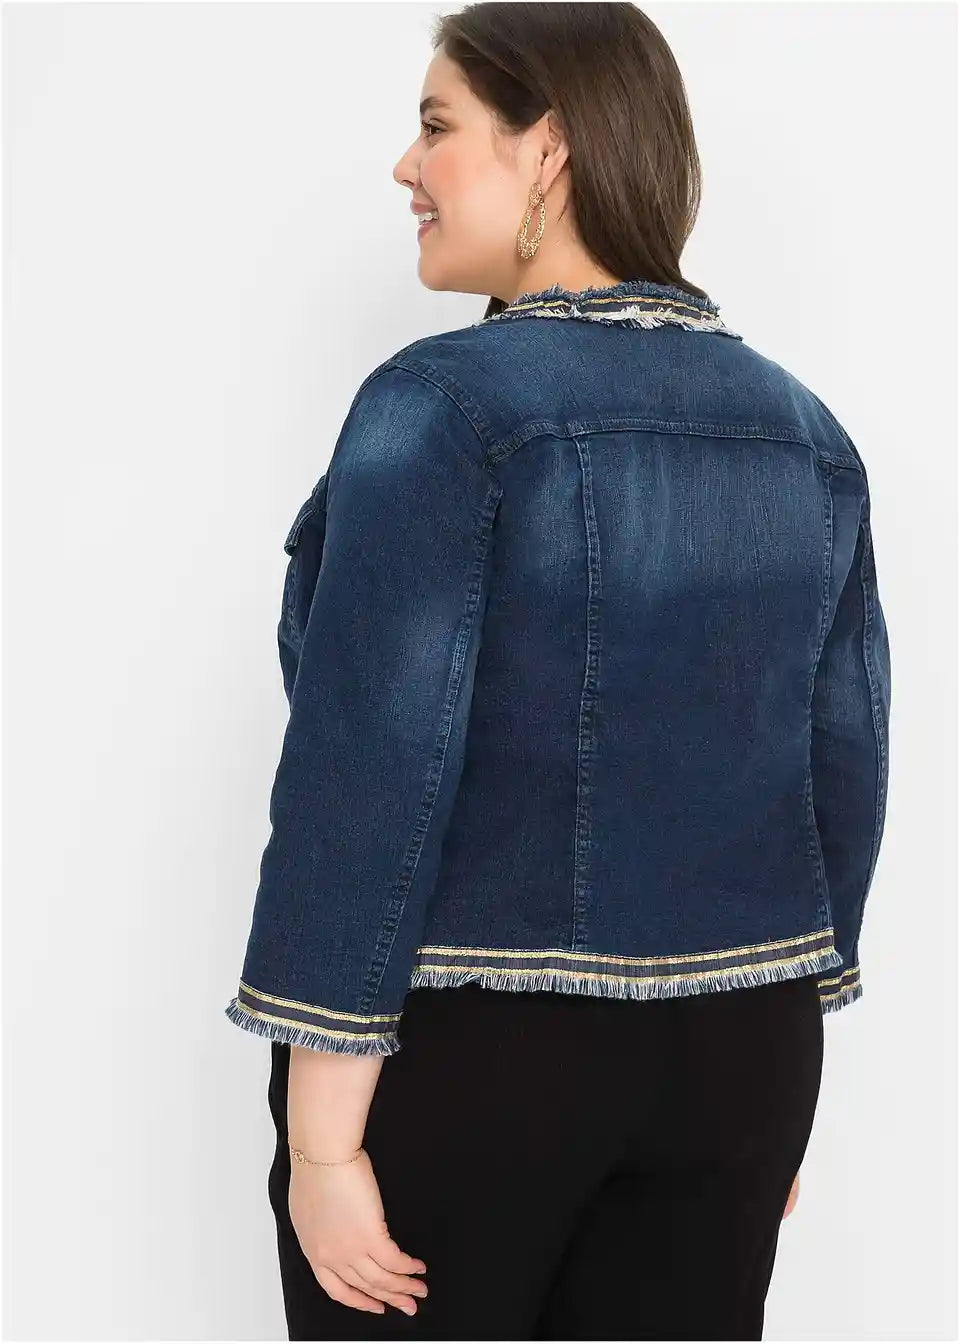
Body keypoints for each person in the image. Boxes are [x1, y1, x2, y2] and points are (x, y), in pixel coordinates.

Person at [224, 4, 892, 1339]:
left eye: (437, 126)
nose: (406, 168)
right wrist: (770, 1098)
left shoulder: (443, 408)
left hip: (479, 1057)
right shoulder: (805, 433)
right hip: (743, 1059)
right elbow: (843, 769)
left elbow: (368, 777)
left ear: (550, 150)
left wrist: (324, 1143)